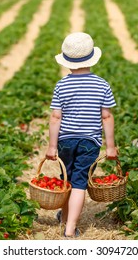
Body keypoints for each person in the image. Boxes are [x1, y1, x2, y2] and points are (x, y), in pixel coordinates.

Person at [45, 32, 117, 237]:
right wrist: (110, 146)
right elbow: (107, 117)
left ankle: (66, 218)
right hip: (90, 141)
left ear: (67, 61)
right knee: (79, 183)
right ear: (92, 58)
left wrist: (51, 146)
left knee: (66, 179)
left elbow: (55, 117)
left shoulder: (62, 85)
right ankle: (69, 229)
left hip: (65, 141)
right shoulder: (102, 84)